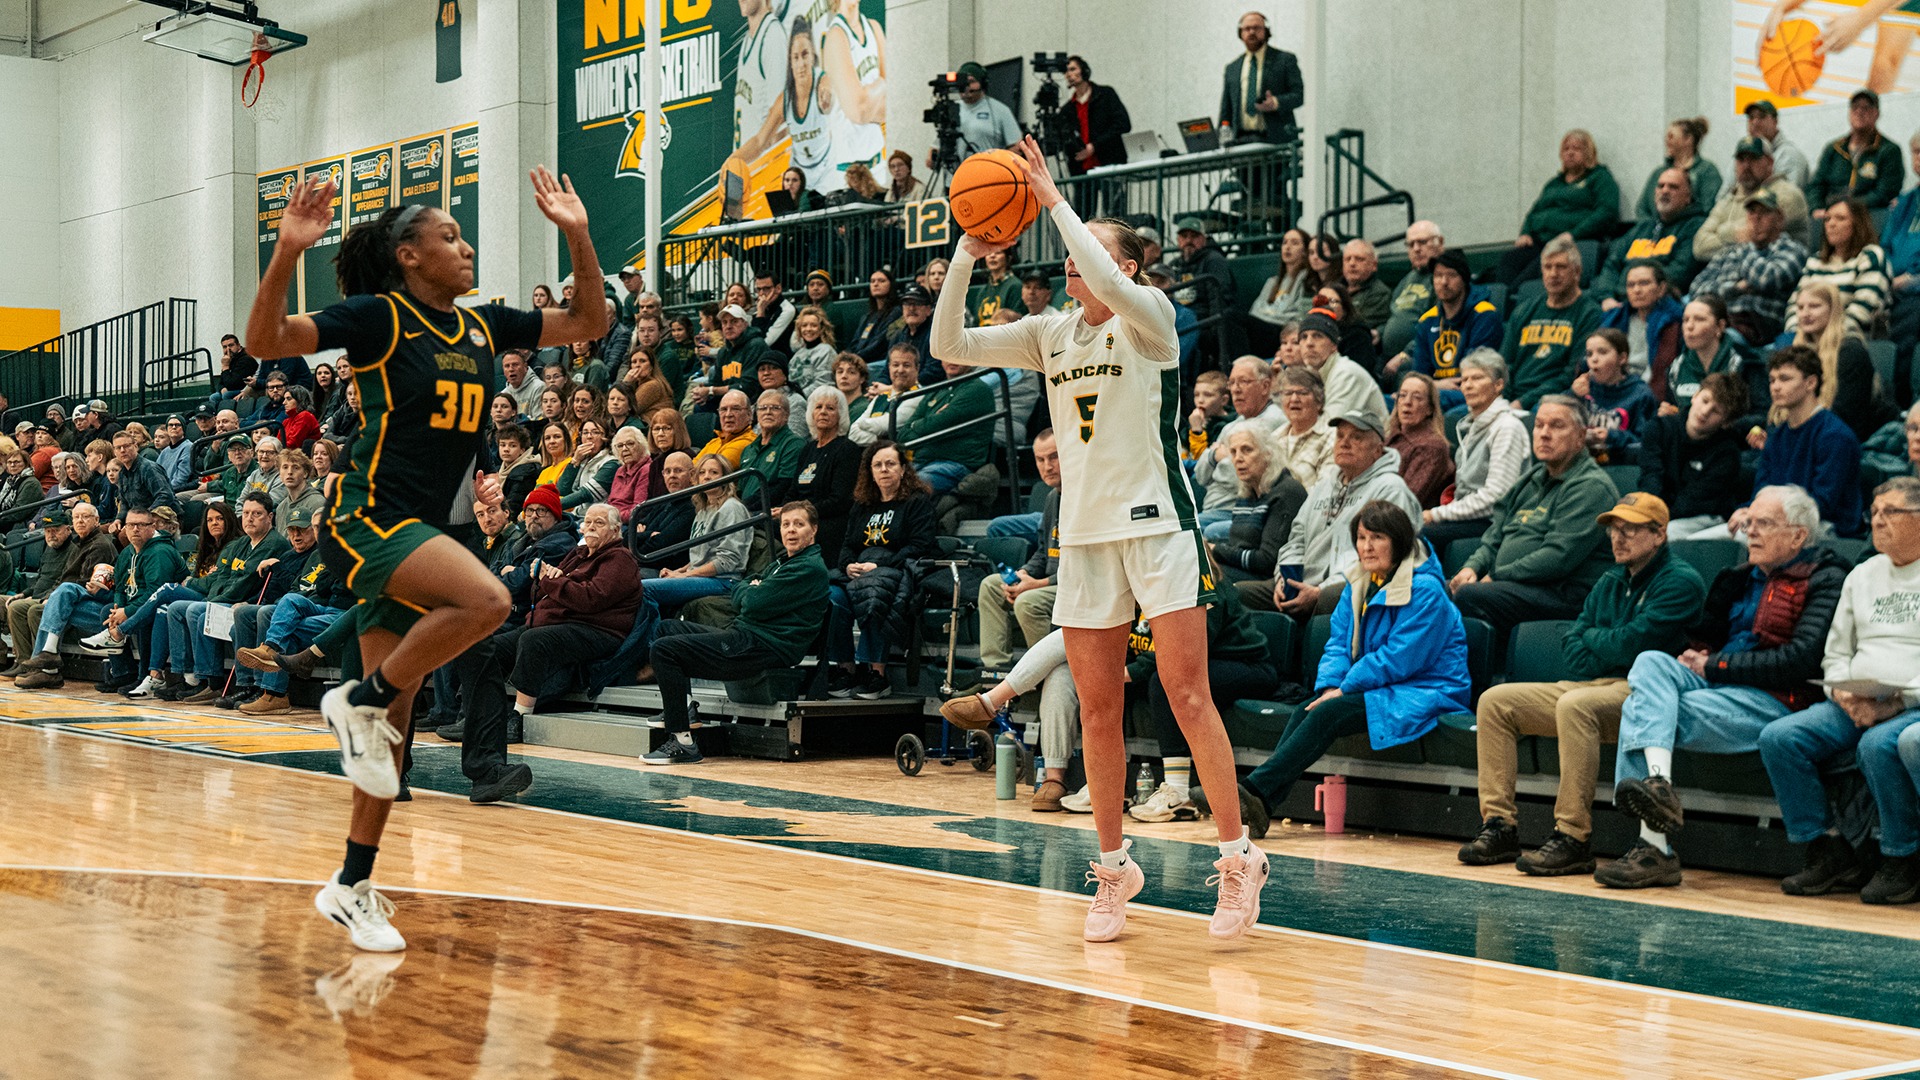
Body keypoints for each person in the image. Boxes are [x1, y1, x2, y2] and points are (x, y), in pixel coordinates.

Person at [243, 165, 608, 952]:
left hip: (430, 534)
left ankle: (351, 884)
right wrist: (288, 251)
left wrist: (578, 234)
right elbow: (266, 342)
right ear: (409, 255)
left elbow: (588, 320)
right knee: (489, 602)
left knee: (390, 746)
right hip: (369, 519)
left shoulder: (483, 327)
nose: (466, 246)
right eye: (449, 235)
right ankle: (360, 698)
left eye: (463, 235)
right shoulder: (379, 319)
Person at [931, 137, 1267, 942]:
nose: (1070, 267)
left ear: (1129, 266)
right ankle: (1114, 868)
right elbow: (949, 345)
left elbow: (1110, 282)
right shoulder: (1051, 332)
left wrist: (1052, 198)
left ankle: (1238, 857)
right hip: (1084, 538)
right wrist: (967, 251)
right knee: (1098, 707)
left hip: (1158, 527)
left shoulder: (1152, 319)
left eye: (1088, 255)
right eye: (1073, 257)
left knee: (1187, 694)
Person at [1598, 485, 1848, 889]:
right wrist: (1698, 654)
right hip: (1718, 683)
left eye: (1764, 523)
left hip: (1776, 699)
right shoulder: (1738, 578)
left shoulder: (1825, 578)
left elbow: (1800, 660)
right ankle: (1659, 787)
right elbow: (1705, 637)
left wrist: (1715, 665)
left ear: (1798, 536)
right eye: (1749, 521)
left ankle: (1654, 846)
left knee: (1639, 709)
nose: (1751, 531)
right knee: (1650, 663)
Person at [1460, 491, 1707, 875]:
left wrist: (1598, 640)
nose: (1617, 538)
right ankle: (1499, 825)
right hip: (1592, 682)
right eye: (1613, 529)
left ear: (1659, 534)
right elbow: (1573, 648)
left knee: (1574, 706)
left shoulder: (1681, 582)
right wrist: (1606, 644)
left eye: (1630, 530)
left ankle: (1572, 837)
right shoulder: (1609, 580)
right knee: (1495, 702)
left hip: (1644, 693)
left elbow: (1634, 646)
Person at [1236, 501, 1469, 838]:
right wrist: (1331, 686)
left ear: (1399, 542)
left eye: (1377, 537)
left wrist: (1345, 689)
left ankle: (1254, 792)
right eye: (1361, 538)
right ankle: (1260, 803)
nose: (1367, 546)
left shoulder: (1426, 591)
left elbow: (1399, 658)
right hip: (1382, 685)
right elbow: (1338, 644)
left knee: (1326, 713)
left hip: (1428, 689)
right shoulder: (1358, 582)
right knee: (1307, 709)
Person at [1760, 478, 1920, 904]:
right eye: (1875, 511)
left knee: (1879, 744)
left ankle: (1902, 857)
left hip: (1911, 703)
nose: (1878, 521)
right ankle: (1827, 848)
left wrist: (1897, 703)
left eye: (1891, 511)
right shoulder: (1863, 574)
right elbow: (1835, 652)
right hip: (1857, 699)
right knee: (1780, 737)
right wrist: (1843, 695)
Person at [456, 503, 640, 803]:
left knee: (535, 641)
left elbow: (590, 598)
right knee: (487, 647)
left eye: (599, 523)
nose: (591, 527)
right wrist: (551, 580)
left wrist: (554, 580)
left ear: (615, 530)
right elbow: (540, 587)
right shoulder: (578, 554)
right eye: (588, 522)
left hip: (598, 630)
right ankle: (470, 715)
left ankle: (520, 715)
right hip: (556, 622)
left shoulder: (620, 559)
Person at [641, 501, 830, 765]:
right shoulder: (784, 562)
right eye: (786, 524)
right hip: (747, 635)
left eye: (799, 524)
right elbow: (744, 587)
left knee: (664, 650)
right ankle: (685, 710)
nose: (790, 530)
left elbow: (752, 602)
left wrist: (752, 589)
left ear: (814, 529)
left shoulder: (808, 568)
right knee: (666, 628)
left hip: (764, 646)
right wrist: (751, 588)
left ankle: (683, 743)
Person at [1451, 395, 1619, 635]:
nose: (1544, 433)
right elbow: (1495, 537)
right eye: (1539, 425)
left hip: (1564, 593)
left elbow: (1557, 558)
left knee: (1471, 595)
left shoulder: (1591, 486)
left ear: (1580, 437)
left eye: (1556, 426)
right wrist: (1473, 568)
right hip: (1516, 584)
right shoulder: (1530, 479)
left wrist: (1496, 576)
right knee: (1438, 592)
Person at [1249, 410, 1422, 617]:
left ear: (1377, 450)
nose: (1344, 443)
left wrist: (1319, 590)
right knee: (1237, 594)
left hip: (1352, 584)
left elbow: (1382, 556)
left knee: (1330, 597)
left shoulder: (1391, 489)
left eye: (1356, 437)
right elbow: (1296, 538)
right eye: (1340, 436)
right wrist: (1285, 578)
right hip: (1301, 581)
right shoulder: (1324, 486)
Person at [1700, 347, 1865, 539]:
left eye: (1785, 379)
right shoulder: (1778, 436)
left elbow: (1822, 503)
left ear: (1811, 383)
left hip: (1825, 528)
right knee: (1698, 543)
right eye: (1772, 380)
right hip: (1775, 520)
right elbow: (1762, 490)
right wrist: (1747, 510)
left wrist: (1761, 515)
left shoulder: (1835, 436)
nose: (1775, 387)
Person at [229, 506, 357, 715]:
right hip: (325, 607)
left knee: (286, 628)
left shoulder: (353, 548)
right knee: (290, 600)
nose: (321, 532)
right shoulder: (325, 552)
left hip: (346, 613)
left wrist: (333, 573)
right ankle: (269, 649)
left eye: (323, 526)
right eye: (317, 527)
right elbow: (322, 586)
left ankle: (274, 694)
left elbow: (340, 587)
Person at [1422, 351, 1530, 548]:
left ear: (1498, 385)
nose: (1468, 385)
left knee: (1415, 536)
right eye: (1464, 380)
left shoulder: (1507, 427)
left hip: (1494, 523)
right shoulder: (1470, 428)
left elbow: (1495, 498)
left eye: (1477, 378)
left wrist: (1436, 514)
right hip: (1468, 517)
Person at [1496, 129, 1621, 286]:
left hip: (1570, 244)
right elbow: (1534, 212)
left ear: (1589, 153)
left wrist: (1573, 234)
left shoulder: (1600, 178)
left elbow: (1607, 212)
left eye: (1576, 149)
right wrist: (1525, 233)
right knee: (1509, 260)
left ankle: (1512, 298)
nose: (1570, 153)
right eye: (1566, 149)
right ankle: (1500, 299)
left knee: (1527, 280)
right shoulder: (1554, 183)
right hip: (1539, 242)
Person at [1688, 189, 1810, 348]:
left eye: (1764, 213)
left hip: (1758, 325)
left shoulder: (1792, 250)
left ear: (1779, 219)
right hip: (1721, 320)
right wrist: (1735, 289)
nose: (1756, 218)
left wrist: (1747, 245)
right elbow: (1696, 288)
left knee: (1717, 338)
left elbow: (1766, 279)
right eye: (1752, 212)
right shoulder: (1731, 251)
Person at [1638, 372, 1749, 539]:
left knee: (1666, 533)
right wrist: (1651, 517)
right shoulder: (1658, 428)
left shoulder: (1727, 454)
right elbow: (1651, 478)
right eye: (1705, 400)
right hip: (1659, 513)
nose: (1704, 412)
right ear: (1695, 396)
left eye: (1716, 411)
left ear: (1726, 422)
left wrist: (1658, 524)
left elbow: (1693, 501)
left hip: (1706, 518)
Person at [1784, 280, 1898, 442]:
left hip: (1849, 440)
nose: (1805, 313)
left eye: (1814, 306)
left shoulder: (1851, 352)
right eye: (1800, 307)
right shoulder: (1795, 352)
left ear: (1833, 310)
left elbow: (1845, 418)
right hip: (1811, 437)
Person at [1388, 247, 1501, 406]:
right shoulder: (1427, 320)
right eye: (1438, 276)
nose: (1444, 282)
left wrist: (1428, 388)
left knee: (1414, 401)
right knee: (1387, 402)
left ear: (1464, 279)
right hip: (1434, 389)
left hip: (1467, 391)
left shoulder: (1484, 315)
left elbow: (1475, 373)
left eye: (1451, 275)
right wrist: (1435, 385)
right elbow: (1419, 373)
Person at [1503, 237, 1604, 411]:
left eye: (1561, 267)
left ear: (1577, 272)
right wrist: (1502, 400)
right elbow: (1504, 364)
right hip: (1513, 397)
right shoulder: (1524, 311)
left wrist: (1522, 402)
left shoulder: (1589, 313)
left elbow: (1571, 373)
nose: (1553, 274)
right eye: (1547, 267)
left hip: (1555, 397)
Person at [644, 453, 751, 611]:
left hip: (724, 580)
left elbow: (727, 561)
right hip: (704, 577)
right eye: (702, 472)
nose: (707, 477)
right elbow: (700, 556)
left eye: (714, 472)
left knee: (645, 589)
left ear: (725, 477)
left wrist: (684, 575)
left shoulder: (731, 508)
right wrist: (678, 571)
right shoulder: (703, 510)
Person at [1207, 427, 1308, 583]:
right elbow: (1238, 546)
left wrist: (1216, 550)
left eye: (1247, 450)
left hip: (1268, 580)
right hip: (1242, 571)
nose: (1238, 458)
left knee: (1203, 577)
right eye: (1233, 452)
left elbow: (1267, 561)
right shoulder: (1247, 492)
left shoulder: (1287, 492)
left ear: (1268, 453)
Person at [0, 507, 92, 675]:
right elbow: (40, 580)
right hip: (37, 596)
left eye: (56, 530)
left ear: (68, 529)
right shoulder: (49, 548)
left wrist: (41, 597)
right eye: (48, 531)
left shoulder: (73, 550)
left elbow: (65, 583)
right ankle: (17, 660)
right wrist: (25, 593)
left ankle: (35, 663)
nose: (51, 535)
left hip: (53, 599)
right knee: (5, 602)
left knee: (20, 608)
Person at [1593, 168, 1707, 303]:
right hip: (1618, 300)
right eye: (1660, 186)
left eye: (1673, 187)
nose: (1665, 191)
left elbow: (1681, 273)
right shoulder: (1642, 227)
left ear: (1688, 197)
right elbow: (1612, 265)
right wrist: (1607, 297)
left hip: (1658, 301)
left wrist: (1631, 292)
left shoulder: (1695, 227)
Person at [1193, 357, 1282, 526]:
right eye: (1232, 383)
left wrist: (1219, 463)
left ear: (1265, 386)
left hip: (1240, 511)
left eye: (1243, 382)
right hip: (1213, 510)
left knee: (1187, 532)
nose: (1235, 389)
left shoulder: (1272, 420)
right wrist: (1214, 456)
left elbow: (1239, 479)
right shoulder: (1232, 425)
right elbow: (1200, 476)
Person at [1784, 197, 1890, 339]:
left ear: (1858, 224)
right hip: (1808, 338)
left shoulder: (1870, 256)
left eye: (1840, 218)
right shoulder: (1816, 261)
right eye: (1827, 219)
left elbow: (1865, 308)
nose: (1831, 224)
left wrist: (1828, 337)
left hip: (1850, 339)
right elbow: (1795, 304)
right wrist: (1795, 334)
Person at [1694, 136, 1812, 262]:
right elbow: (1699, 247)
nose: (1746, 166)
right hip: (1730, 269)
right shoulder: (1728, 200)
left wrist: (1722, 232)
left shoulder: (1788, 194)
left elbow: (1756, 231)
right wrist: (1736, 235)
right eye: (1741, 159)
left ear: (1770, 162)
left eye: (1753, 158)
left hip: (1776, 268)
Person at [791, 387, 866, 578]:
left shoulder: (847, 449)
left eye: (830, 408)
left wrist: (803, 512)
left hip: (830, 521)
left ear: (840, 415)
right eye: (819, 407)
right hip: (802, 517)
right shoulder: (807, 449)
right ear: (811, 413)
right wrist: (785, 510)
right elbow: (793, 491)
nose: (823, 412)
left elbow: (840, 500)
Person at [895, 359, 994, 496]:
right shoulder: (937, 389)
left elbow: (939, 424)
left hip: (955, 464)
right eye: (947, 355)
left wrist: (918, 424)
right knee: (880, 485)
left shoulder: (977, 389)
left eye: (958, 355)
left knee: (908, 489)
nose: (952, 360)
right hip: (922, 462)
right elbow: (903, 435)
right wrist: (934, 419)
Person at [1807, 89, 1905, 213]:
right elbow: (1816, 185)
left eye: (1866, 108)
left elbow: (1885, 193)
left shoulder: (1889, 150)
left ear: (1877, 114)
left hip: (1870, 215)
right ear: (1849, 113)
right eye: (1855, 107)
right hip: (1832, 214)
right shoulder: (1834, 148)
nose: (1859, 112)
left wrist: (1848, 207)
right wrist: (1816, 208)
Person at [1599, 261, 1685, 398]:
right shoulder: (1616, 318)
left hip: (1646, 394)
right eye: (1631, 285)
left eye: (1644, 283)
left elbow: (1661, 374)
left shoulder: (1671, 322)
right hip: (1614, 386)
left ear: (1661, 288)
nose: (1637, 290)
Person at [1297, 308, 1388, 430]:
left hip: (1370, 440)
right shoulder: (1307, 372)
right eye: (1304, 337)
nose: (1309, 343)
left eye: (1317, 336)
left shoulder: (1347, 373)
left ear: (1334, 345)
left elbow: (1330, 428)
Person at [1219, 10, 1302, 141]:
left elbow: (1300, 95)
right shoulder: (1232, 68)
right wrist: (1221, 140)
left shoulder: (1285, 60)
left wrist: (1276, 102)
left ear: (1266, 31)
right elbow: (1226, 109)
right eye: (1247, 28)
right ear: (1240, 33)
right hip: (1240, 140)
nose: (1251, 32)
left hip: (1276, 140)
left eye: (1257, 28)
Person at [1577, 328, 1659, 461]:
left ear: (1622, 358)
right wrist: (1573, 395)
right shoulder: (1582, 388)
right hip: (1582, 461)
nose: (1594, 359)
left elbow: (1645, 442)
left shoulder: (1641, 394)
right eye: (1589, 354)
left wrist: (1610, 436)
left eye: (1602, 352)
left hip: (1622, 464)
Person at [1387, 372, 1456, 508]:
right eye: (1402, 395)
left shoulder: (1432, 447)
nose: (1407, 402)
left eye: (1417, 397)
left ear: (1430, 409)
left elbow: (1405, 501)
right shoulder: (1390, 438)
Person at [1245, 227, 1317, 355]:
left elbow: (1299, 315)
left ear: (1305, 251)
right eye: (1284, 243)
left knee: (1231, 316)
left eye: (1294, 243)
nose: (1287, 247)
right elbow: (1254, 310)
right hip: (1264, 329)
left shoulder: (1307, 279)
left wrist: (1270, 316)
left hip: (1282, 330)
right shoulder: (1272, 281)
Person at [1379, 221, 1444, 360]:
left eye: (1422, 242)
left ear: (1440, 242)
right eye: (1411, 244)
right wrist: (1379, 333)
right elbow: (1395, 315)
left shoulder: (1444, 279)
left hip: (1420, 356)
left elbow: (1438, 326)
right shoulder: (1407, 279)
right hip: (1388, 356)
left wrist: (1407, 354)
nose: (1416, 249)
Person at [1635, 116, 1721, 220]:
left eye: (1671, 136)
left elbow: (1707, 207)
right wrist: (1654, 226)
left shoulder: (1707, 171)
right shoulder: (1659, 173)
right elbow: (1641, 208)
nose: (1666, 141)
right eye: (1661, 186)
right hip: (1655, 227)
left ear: (1688, 139)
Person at [1060, 55, 1130, 176]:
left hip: (1109, 162)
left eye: (1073, 69)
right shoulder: (1067, 109)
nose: (1069, 74)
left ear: (1084, 70)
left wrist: (1095, 146)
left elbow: (1123, 124)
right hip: (1081, 169)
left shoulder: (1105, 94)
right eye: (1066, 71)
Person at [1270, 366, 1334, 489]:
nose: (1294, 399)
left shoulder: (1332, 438)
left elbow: (1325, 491)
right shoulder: (1274, 438)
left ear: (1319, 401)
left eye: (1302, 393)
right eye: (1288, 393)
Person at [1746, 98, 1810, 190]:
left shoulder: (1790, 156)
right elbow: (1726, 194)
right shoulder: (1741, 159)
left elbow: (1786, 196)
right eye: (1751, 117)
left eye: (1762, 116)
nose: (1755, 122)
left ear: (1775, 121)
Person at [848, 269, 900, 365]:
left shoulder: (896, 312)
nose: (876, 284)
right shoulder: (867, 316)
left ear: (891, 285)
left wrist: (856, 358)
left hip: (878, 362)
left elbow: (881, 342)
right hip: (859, 361)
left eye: (881, 281)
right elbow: (855, 342)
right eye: (872, 281)